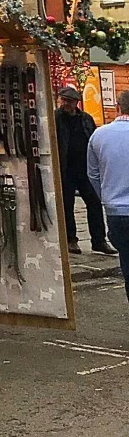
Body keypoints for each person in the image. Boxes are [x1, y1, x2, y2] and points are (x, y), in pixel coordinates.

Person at [55, 85, 116, 255]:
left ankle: (99, 240)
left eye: (70, 101)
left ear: (76, 103)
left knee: (94, 202)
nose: (66, 104)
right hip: (66, 168)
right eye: (64, 100)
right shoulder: (56, 118)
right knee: (67, 204)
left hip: (86, 168)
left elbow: (94, 140)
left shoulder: (86, 119)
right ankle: (71, 239)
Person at [87, 89, 129, 301]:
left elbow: (92, 174)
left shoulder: (99, 135)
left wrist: (106, 197)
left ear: (117, 107)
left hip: (116, 212)